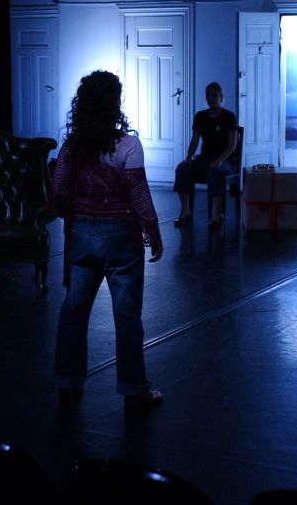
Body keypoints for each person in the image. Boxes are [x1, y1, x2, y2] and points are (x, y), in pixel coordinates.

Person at [48, 70, 164, 407]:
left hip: (83, 236)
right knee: (127, 317)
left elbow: (57, 194)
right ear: (115, 104)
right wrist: (152, 231)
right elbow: (138, 192)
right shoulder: (128, 145)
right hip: (121, 240)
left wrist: (77, 218)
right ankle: (133, 389)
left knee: (74, 311)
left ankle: (68, 383)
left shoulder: (72, 147)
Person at [172, 81, 239, 228]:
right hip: (205, 159)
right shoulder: (200, 116)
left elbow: (232, 145)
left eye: (214, 94)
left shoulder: (229, 116)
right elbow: (194, 141)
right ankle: (185, 212)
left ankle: (216, 215)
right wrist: (188, 159)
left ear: (221, 96)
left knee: (215, 171)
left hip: (226, 161)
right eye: (207, 95)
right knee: (182, 169)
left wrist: (220, 161)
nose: (210, 98)